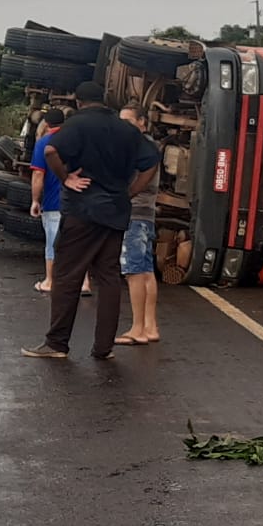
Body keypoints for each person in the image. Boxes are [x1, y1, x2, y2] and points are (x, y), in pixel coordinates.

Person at [21, 82, 159, 361]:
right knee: (108, 278)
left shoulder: (78, 124)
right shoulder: (125, 129)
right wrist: (131, 190)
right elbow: (152, 160)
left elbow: (50, 152)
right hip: (116, 211)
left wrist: (66, 178)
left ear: (79, 100)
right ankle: (103, 348)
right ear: (103, 100)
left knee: (67, 274)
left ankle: (57, 343)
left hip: (82, 211)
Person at [115, 104, 161, 345]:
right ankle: (150, 326)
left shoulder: (137, 148)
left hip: (135, 215)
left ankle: (137, 328)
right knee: (145, 271)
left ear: (142, 122)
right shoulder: (150, 146)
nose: (123, 126)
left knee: (133, 271)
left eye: (129, 121)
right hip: (147, 214)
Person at [28, 106, 66, 293]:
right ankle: (84, 283)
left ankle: (50, 281)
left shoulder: (44, 143)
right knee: (79, 245)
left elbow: (38, 175)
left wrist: (35, 200)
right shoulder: (77, 140)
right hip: (78, 202)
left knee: (52, 242)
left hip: (53, 202)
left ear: (47, 123)